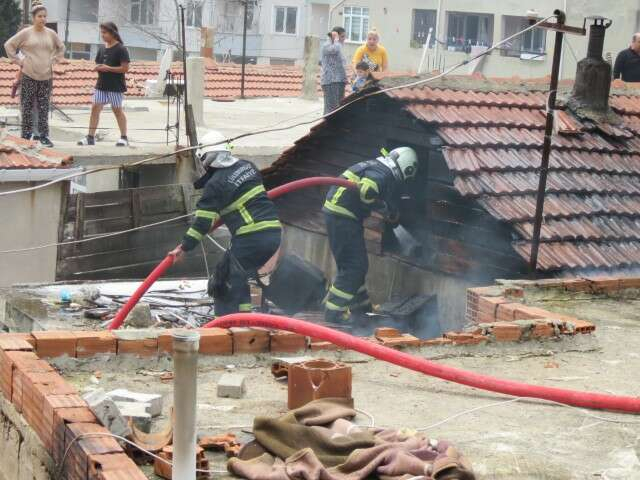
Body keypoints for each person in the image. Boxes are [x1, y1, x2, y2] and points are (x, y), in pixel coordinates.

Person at [169, 130, 282, 316]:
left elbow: (202, 223)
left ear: (206, 158)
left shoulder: (215, 185)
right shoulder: (248, 166)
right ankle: (248, 318)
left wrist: (183, 247)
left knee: (222, 282)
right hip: (274, 234)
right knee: (244, 278)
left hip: (251, 238)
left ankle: (223, 322)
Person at [322, 147, 418, 323]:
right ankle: (333, 313)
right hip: (343, 216)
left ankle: (361, 308)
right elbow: (367, 190)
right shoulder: (384, 173)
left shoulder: (377, 165)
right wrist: (383, 208)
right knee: (355, 266)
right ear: (406, 168)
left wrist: (385, 207)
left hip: (340, 214)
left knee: (353, 265)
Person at [4, 2, 65, 147]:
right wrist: (18, 61)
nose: (43, 19)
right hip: (29, 74)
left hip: (46, 76)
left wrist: (55, 60)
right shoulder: (26, 33)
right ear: (33, 18)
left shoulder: (51, 33)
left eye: (44, 16)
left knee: (44, 107)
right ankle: (26, 136)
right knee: (27, 106)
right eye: (40, 16)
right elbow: (8, 45)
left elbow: (61, 47)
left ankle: (43, 136)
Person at [78, 22, 130, 146]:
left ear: (113, 33)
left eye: (105, 32)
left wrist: (108, 68)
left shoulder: (121, 49)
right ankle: (90, 137)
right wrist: (98, 68)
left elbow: (125, 68)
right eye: (101, 32)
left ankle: (124, 137)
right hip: (101, 85)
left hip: (115, 86)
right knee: (95, 108)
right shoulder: (102, 48)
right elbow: (98, 63)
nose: (102, 35)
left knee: (117, 110)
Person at [321, 26, 348, 115]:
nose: (344, 39)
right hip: (331, 82)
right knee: (331, 110)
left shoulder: (338, 46)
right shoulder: (327, 45)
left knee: (339, 108)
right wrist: (336, 39)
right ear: (335, 36)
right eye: (342, 36)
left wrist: (345, 78)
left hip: (339, 81)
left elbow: (341, 65)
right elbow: (334, 50)